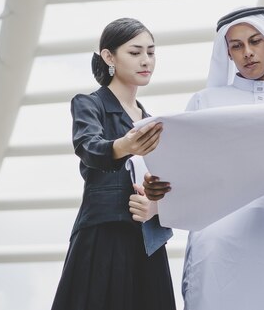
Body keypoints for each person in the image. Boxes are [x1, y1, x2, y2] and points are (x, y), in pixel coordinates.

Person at [137, 7, 264, 310]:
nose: (248, 53)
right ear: (227, 54)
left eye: (255, 42)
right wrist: (159, 184)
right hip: (217, 246)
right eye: (237, 46)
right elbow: (183, 172)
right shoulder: (207, 101)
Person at [51, 18, 176, 310]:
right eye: (135, 52)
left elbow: (168, 184)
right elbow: (88, 147)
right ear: (109, 56)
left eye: (151, 52)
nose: (146, 60)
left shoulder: (152, 120)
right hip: (104, 236)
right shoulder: (89, 104)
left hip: (147, 241)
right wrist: (125, 145)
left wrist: (156, 207)